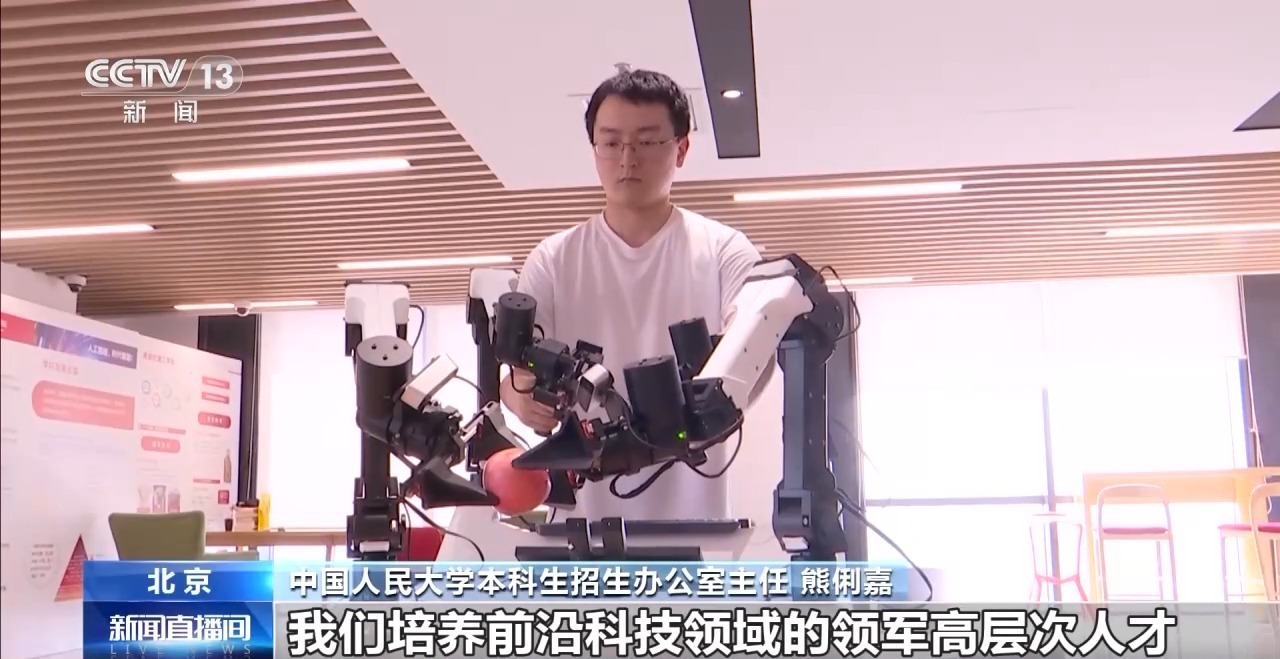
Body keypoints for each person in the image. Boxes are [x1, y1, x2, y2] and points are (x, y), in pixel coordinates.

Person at [499, 68, 763, 522]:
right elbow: (517, 374)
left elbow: (754, 358)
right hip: (582, 523)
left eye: (647, 141)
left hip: (699, 521)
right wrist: (518, 396)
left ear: (681, 149)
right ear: (594, 150)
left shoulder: (725, 250)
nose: (627, 159)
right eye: (611, 142)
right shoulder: (554, 258)